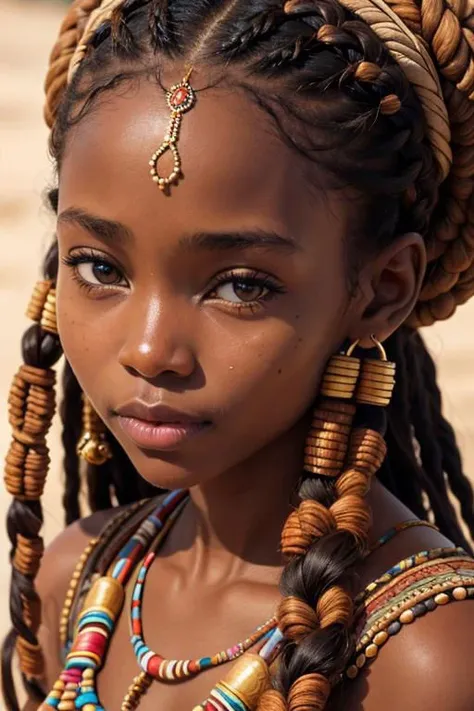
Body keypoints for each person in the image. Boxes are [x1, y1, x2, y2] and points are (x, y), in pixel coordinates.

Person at [3, 0, 474, 709]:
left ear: (381, 290)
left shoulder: (428, 659)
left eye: (240, 285)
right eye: (101, 268)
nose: (150, 349)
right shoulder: (73, 578)